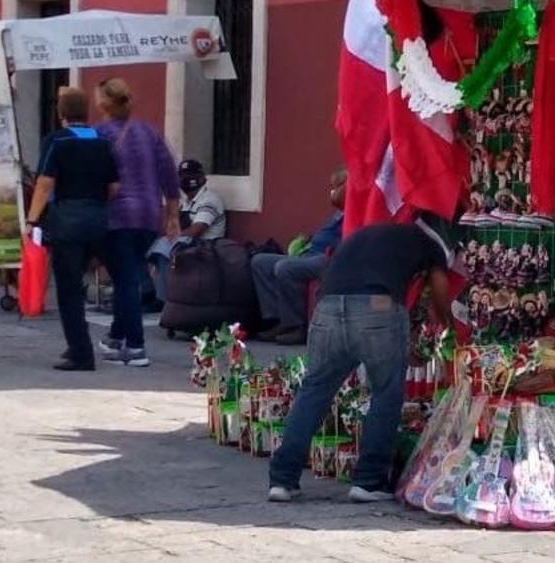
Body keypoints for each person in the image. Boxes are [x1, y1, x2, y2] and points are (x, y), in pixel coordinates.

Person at [267, 216, 454, 504]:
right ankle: (368, 481)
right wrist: (448, 324)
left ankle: (282, 480)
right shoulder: (431, 245)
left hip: (328, 306)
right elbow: (439, 290)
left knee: (314, 391)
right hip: (377, 306)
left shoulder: (371, 235)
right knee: (386, 393)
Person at [23, 87, 119, 372]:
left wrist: (31, 220)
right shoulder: (103, 141)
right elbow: (115, 187)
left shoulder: (57, 141)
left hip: (67, 222)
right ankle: (117, 339)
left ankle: (80, 353)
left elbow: (44, 183)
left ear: (61, 113)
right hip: (99, 220)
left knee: (69, 290)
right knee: (115, 278)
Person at [94, 78, 178, 368]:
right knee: (127, 277)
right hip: (148, 214)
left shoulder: (100, 134)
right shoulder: (149, 133)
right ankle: (116, 337)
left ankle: (136, 347)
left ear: (103, 103)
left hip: (118, 216)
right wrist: (173, 214)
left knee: (126, 281)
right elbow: (169, 171)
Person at [250, 169, 346, 345]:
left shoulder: (355, 211)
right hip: (310, 253)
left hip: (329, 259)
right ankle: (277, 319)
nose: (331, 192)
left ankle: (295, 326)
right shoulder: (337, 213)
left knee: (285, 268)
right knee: (260, 261)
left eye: (335, 187)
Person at [146, 159, 227, 306]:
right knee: (151, 244)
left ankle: (164, 300)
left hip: (207, 247)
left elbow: (196, 229)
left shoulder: (209, 200)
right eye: (182, 176)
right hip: (188, 243)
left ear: (202, 178)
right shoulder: (187, 202)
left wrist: (171, 237)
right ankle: (149, 293)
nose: (186, 179)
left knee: (165, 248)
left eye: (191, 175)